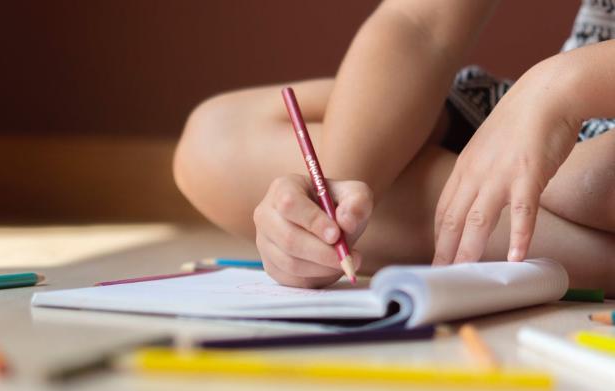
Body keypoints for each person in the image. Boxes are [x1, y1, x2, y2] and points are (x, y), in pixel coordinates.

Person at [173, 0, 615, 293]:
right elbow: (419, 24)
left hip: (573, 98)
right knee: (217, 141)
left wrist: (561, 86)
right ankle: (570, 247)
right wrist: (334, 205)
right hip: (543, 112)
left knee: (592, 181)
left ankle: (527, 230)